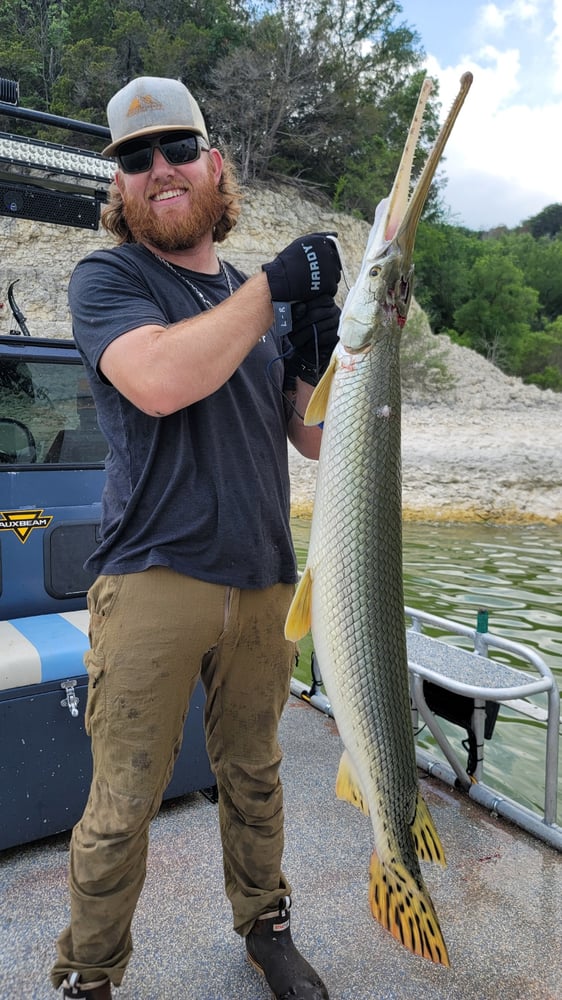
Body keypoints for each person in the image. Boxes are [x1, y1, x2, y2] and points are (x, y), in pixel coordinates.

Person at [50, 76, 342, 1000]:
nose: (159, 170)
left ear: (215, 166)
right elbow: (161, 381)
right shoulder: (109, 280)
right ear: (121, 188)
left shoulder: (257, 306)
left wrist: (329, 353)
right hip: (151, 578)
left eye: (178, 150)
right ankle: (89, 972)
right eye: (135, 159)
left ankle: (266, 926)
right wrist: (272, 292)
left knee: (256, 774)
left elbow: (316, 440)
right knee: (124, 800)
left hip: (263, 576)